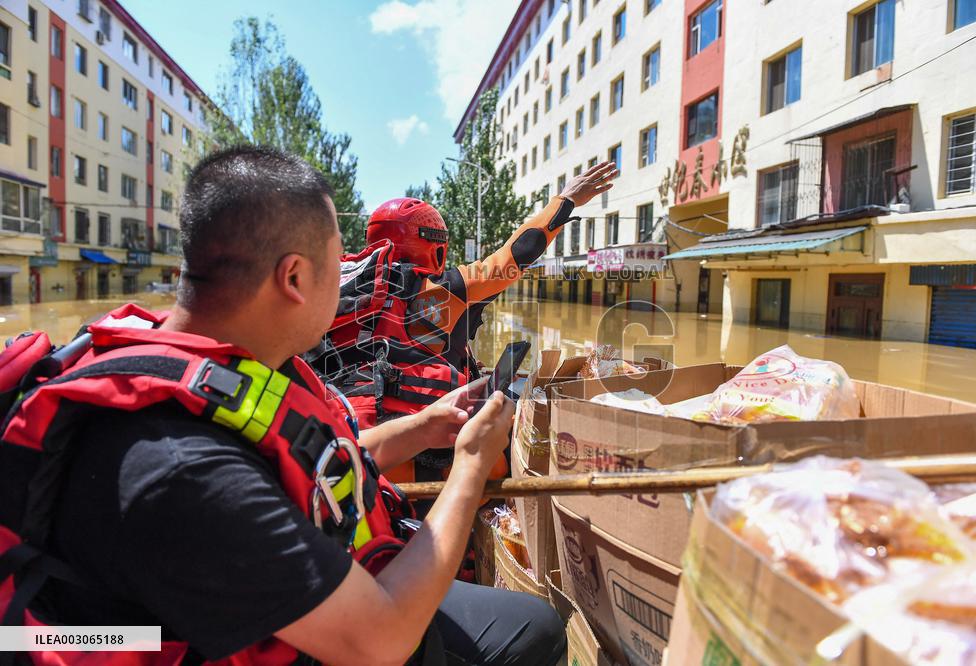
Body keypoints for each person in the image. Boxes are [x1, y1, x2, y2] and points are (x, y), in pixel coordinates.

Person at [0, 147, 565, 665]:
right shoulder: (184, 470)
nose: (353, 277)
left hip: (284, 579)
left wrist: (421, 426)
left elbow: (307, 462)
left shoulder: (207, 359)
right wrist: (469, 464)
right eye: (338, 262)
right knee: (527, 631)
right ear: (294, 276)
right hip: (324, 633)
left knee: (533, 624)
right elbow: (379, 641)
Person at [313, 162, 618, 485]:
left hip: (343, 449)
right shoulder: (442, 289)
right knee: (511, 445)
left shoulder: (334, 292)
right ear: (436, 247)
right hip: (414, 462)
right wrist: (564, 201)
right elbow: (516, 255)